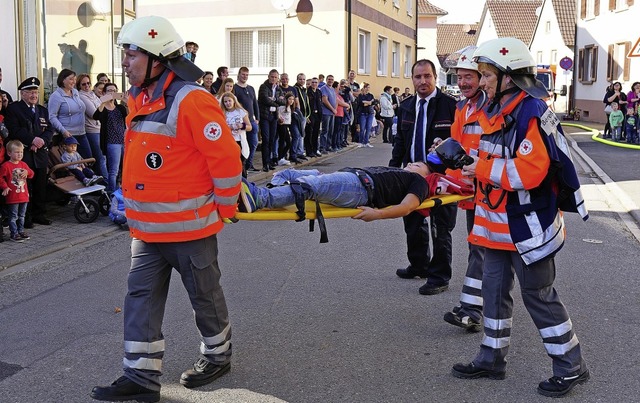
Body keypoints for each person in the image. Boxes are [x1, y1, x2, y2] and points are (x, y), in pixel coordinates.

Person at [90, 16, 242, 402]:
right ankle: (140, 378)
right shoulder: (138, 98)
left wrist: (225, 210)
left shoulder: (192, 99)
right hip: (146, 230)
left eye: (131, 53)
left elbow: (225, 159)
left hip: (190, 228)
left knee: (204, 296)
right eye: (124, 53)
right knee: (139, 298)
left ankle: (218, 355)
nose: (124, 62)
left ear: (158, 59)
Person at [450, 37, 589, 398]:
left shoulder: (532, 112)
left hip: (528, 229)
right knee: (494, 294)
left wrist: (477, 166)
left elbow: (527, 174)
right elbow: (486, 158)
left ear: (508, 77)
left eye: (485, 75)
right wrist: (462, 165)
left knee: (539, 296)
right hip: (495, 226)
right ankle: (491, 358)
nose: (480, 82)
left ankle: (571, 366)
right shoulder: (494, 109)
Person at [390, 59, 457, 295]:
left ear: (435, 77)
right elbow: (400, 141)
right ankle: (419, 265)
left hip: (441, 178)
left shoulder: (450, 106)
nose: (423, 81)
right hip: (411, 174)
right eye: (418, 77)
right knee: (412, 220)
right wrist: (393, 169)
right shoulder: (406, 106)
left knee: (441, 227)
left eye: (427, 76)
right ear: (412, 79)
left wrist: (434, 166)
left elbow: (456, 145)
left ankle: (439, 276)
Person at [440, 45, 487, 332]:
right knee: (476, 247)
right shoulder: (463, 107)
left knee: (482, 249)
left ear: (483, 77)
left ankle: (473, 309)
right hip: (471, 190)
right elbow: (456, 146)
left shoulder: (492, 108)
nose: (463, 83)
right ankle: (474, 305)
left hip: (491, 191)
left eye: (469, 76)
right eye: (460, 77)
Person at [237, 162, 433, 223]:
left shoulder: (419, 183)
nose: (409, 163)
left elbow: (407, 208)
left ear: (424, 175)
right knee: (287, 173)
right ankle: (263, 193)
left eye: (415, 165)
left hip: (359, 187)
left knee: (308, 186)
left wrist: (377, 214)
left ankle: (260, 198)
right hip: (350, 178)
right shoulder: (400, 172)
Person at [4, 77, 55, 227]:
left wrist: (41, 141)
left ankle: (39, 214)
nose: (34, 95)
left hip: (39, 154)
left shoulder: (42, 110)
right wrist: (32, 140)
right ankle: (25, 217)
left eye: (36, 92)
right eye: (30, 92)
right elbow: (14, 130)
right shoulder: (14, 109)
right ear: (22, 93)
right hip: (23, 154)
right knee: (24, 186)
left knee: (40, 185)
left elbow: (50, 129)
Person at [48, 69, 91, 159]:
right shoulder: (56, 96)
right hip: (68, 135)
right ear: (63, 80)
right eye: (71, 79)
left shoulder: (75, 93)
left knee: (87, 159)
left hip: (81, 132)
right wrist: (63, 131)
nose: (74, 82)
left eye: (75, 79)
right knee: (72, 163)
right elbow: (52, 116)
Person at [93, 82, 127, 192]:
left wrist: (127, 103)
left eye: (114, 91)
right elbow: (96, 116)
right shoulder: (104, 108)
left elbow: (130, 117)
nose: (112, 93)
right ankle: (112, 193)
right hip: (112, 143)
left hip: (123, 141)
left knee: (124, 168)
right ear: (104, 93)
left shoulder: (120, 108)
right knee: (114, 170)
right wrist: (103, 102)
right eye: (109, 91)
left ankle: (120, 190)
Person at [0, 140, 34, 242]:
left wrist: (27, 172)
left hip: (23, 195)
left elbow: (32, 174)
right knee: (13, 216)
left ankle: (21, 231)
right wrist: (5, 187)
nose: (20, 154)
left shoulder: (23, 165)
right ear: (9, 153)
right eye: (17, 152)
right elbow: (0, 178)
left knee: (22, 215)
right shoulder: (6, 166)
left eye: (21, 152)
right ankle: (13, 233)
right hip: (13, 196)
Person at [77, 73, 108, 179]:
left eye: (88, 83)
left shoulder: (92, 94)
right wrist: (103, 105)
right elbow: (94, 114)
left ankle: (106, 181)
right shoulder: (81, 96)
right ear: (79, 86)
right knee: (100, 158)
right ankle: (106, 183)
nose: (87, 86)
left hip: (101, 128)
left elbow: (105, 110)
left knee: (104, 157)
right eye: (83, 84)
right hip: (92, 130)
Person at [258, 69, 285, 172]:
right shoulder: (263, 86)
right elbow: (264, 99)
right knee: (266, 139)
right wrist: (276, 101)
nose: (273, 79)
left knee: (272, 140)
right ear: (268, 76)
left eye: (275, 77)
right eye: (272, 77)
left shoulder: (278, 88)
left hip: (274, 116)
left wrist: (274, 99)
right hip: (265, 116)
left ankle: (269, 162)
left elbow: (284, 101)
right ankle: (265, 163)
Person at [234, 66, 260, 171]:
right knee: (244, 144)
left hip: (252, 121)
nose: (245, 77)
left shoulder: (251, 88)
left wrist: (257, 118)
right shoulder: (235, 88)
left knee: (254, 143)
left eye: (247, 75)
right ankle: (243, 165)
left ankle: (249, 164)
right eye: (243, 74)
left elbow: (255, 103)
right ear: (239, 75)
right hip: (241, 122)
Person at [220, 91, 251, 175]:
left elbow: (249, 127)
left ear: (234, 101)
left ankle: (244, 184)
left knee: (241, 164)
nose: (228, 103)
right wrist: (230, 127)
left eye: (229, 101)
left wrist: (241, 125)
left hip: (240, 140)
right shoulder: (222, 113)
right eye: (225, 102)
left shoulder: (241, 112)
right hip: (229, 141)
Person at [355, 82, 376, 148]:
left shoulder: (370, 95)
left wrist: (366, 102)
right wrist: (368, 102)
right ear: (364, 88)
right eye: (367, 87)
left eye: (369, 87)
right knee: (362, 128)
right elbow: (361, 103)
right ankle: (361, 142)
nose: (368, 89)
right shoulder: (360, 96)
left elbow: (373, 102)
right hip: (362, 113)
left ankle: (366, 141)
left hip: (370, 113)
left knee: (368, 128)